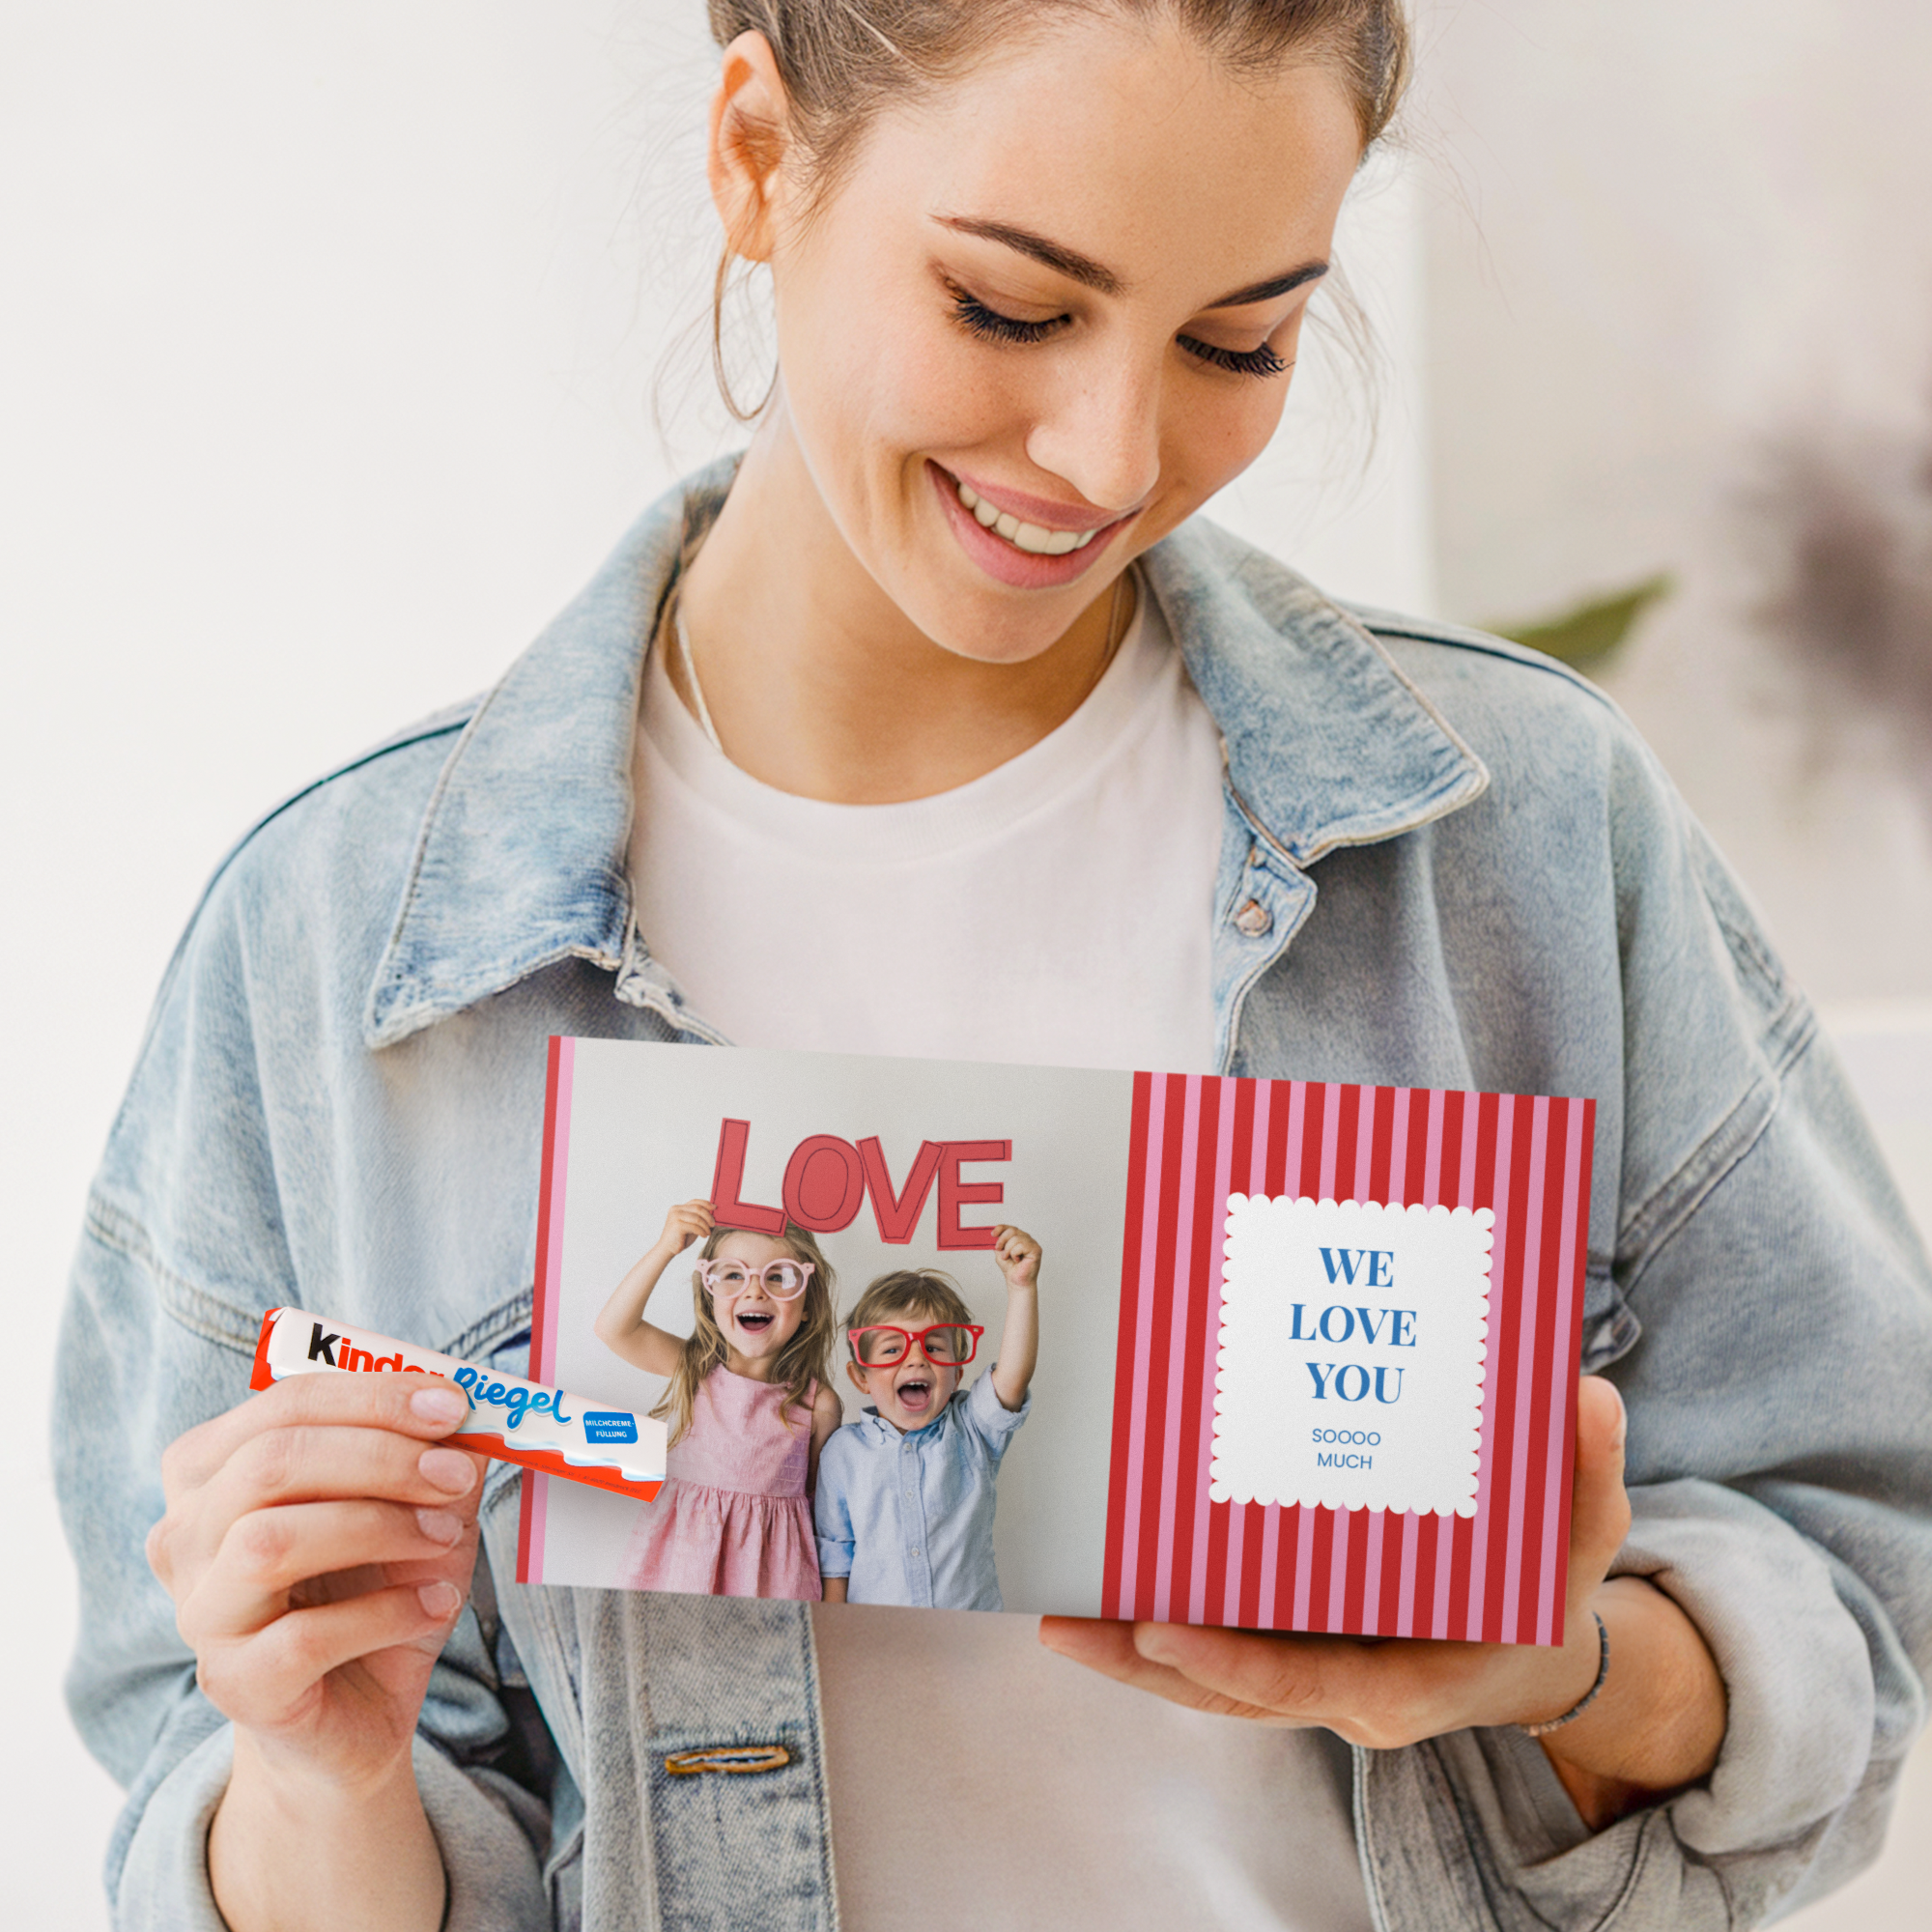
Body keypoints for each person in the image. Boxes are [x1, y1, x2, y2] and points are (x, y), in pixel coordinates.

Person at [55, 2, 1932, 1929]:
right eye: (1010, 309)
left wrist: (1563, 1667)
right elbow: (233, 1788)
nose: (1110, 453)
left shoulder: (1518, 833)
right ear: (756, 155)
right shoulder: (336, 948)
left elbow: (1857, 1587)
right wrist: (318, 1767)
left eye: (1239, 340)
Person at [593, 1199, 843, 1599]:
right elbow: (614, 1329)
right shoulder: (694, 1369)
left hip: (771, 1583)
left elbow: (820, 1510)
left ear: (809, 1304)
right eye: (732, 1275)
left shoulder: (818, 1404)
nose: (755, 1291)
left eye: (779, 1277)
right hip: (680, 1570)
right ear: (709, 1295)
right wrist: (666, 1248)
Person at [817, 1228, 1040, 1609]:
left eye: (934, 1346)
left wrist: (1022, 1288)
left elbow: (1014, 1376)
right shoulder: (842, 1452)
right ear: (861, 1377)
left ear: (956, 1374)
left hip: (972, 1639)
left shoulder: (973, 1430)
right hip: (880, 1641)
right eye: (892, 1348)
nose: (916, 1358)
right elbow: (835, 1557)